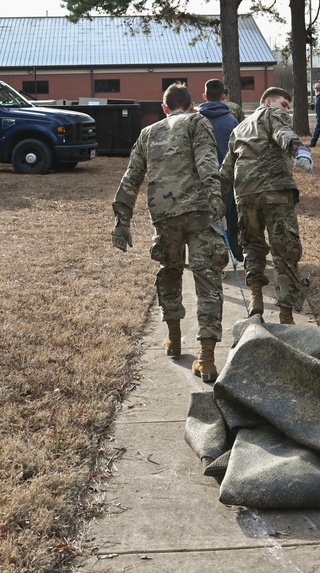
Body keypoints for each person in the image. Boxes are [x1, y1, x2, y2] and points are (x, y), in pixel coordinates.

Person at [111, 83, 228, 383]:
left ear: (164, 108)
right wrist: (216, 198)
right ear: (191, 105)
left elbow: (131, 177)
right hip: (200, 214)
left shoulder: (148, 133)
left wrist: (121, 222)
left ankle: (174, 340)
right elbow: (206, 160)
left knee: (170, 271)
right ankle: (207, 359)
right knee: (207, 279)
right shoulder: (197, 122)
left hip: (165, 216)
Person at [220, 87, 312, 325]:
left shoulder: (238, 129)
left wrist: (217, 199)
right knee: (285, 251)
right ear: (269, 102)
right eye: (284, 105)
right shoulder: (272, 114)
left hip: (245, 195)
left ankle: (256, 300)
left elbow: (226, 170)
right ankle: (285, 314)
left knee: (252, 248)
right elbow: (283, 133)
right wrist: (299, 150)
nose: (287, 111)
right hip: (276, 193)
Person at [199, 78, 242, 260]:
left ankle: (207, 254)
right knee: (229, 216)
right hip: (227, 177)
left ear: (204, 95)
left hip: (201, 178)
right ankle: (235, 253)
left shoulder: (195, 120)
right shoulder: (232, 121)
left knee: (205, 219)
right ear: (223, 96)